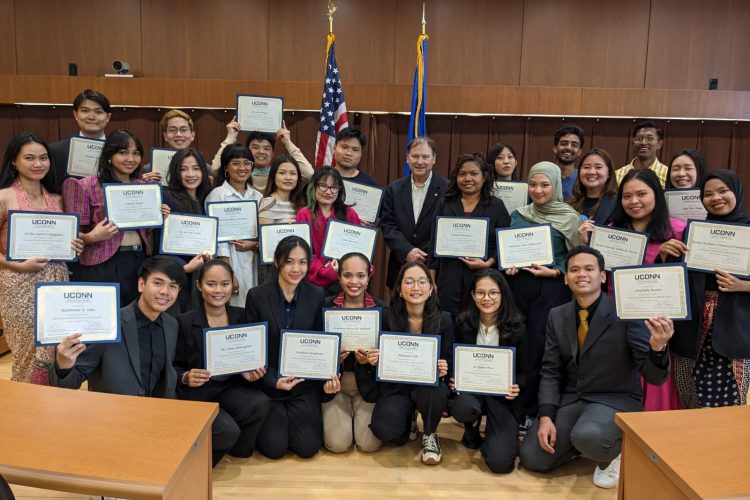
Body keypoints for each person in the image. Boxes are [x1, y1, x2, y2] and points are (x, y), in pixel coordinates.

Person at [519, 246, 673, 489]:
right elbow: (550, 370)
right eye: (574, 270)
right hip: (574, 398)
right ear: (566, 278)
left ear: (602, 276)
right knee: (532, 457)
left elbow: (653, 377)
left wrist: (658, 347)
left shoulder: (626, 313)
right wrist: (547, 415)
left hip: (614, 399)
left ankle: (610, 454)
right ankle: (582, 442)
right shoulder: (557, 315)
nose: (582, 274)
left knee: (588, 436)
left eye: (589, 269)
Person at [581, 169, 685, 411]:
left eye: (641, 194)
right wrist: (586, 245)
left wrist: (663, 258)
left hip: (657, 323)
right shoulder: (610, 229)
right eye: (627, 196)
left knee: (654, 377)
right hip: (616, 319)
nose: (634, 201)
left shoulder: (677, 230)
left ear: (657, 195)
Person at [0, 133, 83, 384]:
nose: (38, 164)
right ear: (14, 161)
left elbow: (65, 241)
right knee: (26, 354)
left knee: (54, 349)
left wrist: (74, 245)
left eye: (43, 158)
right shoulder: (4, 197)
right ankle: (24, 412)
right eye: (29, 158)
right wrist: (18, 265)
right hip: (18, 283)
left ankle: (50, 411)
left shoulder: (57, 199)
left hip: (56, 281)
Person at [506, 161, 581, 429]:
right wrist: (509, 263)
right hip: (519, 288)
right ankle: (512, 408)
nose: (538, 190)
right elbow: (509, 249)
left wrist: (555, 271)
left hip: (551, 290)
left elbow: (575, 259)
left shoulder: (571, 217)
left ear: (556, 185)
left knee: (540, 350)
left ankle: (534, 412)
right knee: (517, 345)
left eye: (545, 184)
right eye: (533, 184)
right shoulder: (518, 214)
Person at [174, 259, 270, 466]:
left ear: (233, 284)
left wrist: (250, 373)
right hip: (197, 393)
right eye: (211, 284)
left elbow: (250, 356)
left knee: (260, 402)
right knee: (227, 430)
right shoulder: (183, 322)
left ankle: (235, 447)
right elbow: (172, 366)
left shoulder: (243, 317)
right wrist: (185, 377)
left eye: (224, 284)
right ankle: (195, 465)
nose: (218, 290)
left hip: (229, 387)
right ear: (199, 285)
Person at [244, 236, 330, 459]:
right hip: (270, 385)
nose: (296, 268)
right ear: (277, 262)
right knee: (275, 449)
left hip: (303, 384)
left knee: (307, 448)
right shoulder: (257, 296)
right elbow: (253, 348)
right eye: (289, 261)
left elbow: (321, 340)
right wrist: (272, 381)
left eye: (302, 262)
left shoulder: (317, 294)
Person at [50, 256, 185, 396]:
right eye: (157, 283)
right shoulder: (109, 323)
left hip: (160, 413)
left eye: (173, 286)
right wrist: (63, 365)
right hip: (114, 413)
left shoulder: (172, 325)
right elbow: (70, 382)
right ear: (141, 284)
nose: (165, 291)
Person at [671, 170, 750, 408]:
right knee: (690, 395)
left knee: (732, 400)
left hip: (736, 327)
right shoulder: (694, 232)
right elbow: (678, 280)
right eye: (708, 194)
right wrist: (667, 255)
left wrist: (743, 285)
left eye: (723, 191)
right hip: (693, 328)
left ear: (736, 191)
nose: (715, 198)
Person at [63, 129, 163, 306]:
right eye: (123, 152)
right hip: (103, 263)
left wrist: (160, 215)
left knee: (133, 320)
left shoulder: (144, 186)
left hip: (139, 260)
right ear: (109, 155)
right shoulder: (87, 185)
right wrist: (93, 236)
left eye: (136, 153)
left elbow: (148, 230)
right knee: (104, 318)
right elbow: (70, 236)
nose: (131, 159)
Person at [368, 262, 454, 465]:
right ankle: (409, 420)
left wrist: (445, 366)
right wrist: (375, 359)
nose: (416, 287)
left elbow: (449, 357)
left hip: (428, 387)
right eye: (409, 282)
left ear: (431, 288)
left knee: (435, 392)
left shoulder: (445, 320)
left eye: (422, 282)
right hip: (397, 387)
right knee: (386, 431)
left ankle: (430, 434)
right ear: (399, 289)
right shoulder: (386, 317)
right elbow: (378, 355)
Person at [448, 269, 524, 473]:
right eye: (480, 293)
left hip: (502, 397)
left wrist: (518, 386)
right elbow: (454, 358)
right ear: (473, 295)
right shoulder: (462, 323)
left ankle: (498, 433)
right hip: (471, 392)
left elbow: (528, 369)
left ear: (502, 294)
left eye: (493, 293)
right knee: (463, 406)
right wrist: (455, 378)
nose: (487, 298)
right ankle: (471, 427)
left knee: (501, 464)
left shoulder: (518, 327)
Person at [428, 153, 510, 316]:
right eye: (462, 174)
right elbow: (434, 242)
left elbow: (505, 243)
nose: (467, 178)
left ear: (484, 176)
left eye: (473, 174)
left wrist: (487, 264)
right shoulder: (446, 203)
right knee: (447, 321)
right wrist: (432, 280)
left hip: (482, 278)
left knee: (474, 323)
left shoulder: (496, 206)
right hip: (448, 277)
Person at [321, 252, 384, 453]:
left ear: (368, 277)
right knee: (338, 445)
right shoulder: (325, 307)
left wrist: (375, 360)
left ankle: (358, 416)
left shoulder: (382, 309)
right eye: (347, 275)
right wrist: (331, 359)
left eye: (360, 275)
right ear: (339, 277)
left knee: (368, 445)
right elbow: (315, 351)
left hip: (367, 386)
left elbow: (391, 357)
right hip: (336, 388)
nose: (354, 281)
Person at [381, 137, 449, 288]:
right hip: (400, 265)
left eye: (425, 157)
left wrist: (423, 253)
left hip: (434, 267)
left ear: (434, 159)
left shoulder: (447, 190)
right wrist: (408, 250)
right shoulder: (394, 189)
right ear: (407, 158)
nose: (420, 161)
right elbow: (387, 224)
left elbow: (447, 228)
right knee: (399, 311)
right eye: (415, 156)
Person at [205, 144, 262, 306]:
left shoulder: (258, 197)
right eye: (236, 163)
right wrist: (228, 274)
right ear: (226, 168)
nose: (242, 168)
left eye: (247, 163)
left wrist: (255, 244)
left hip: (254, 261)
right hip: (230, 260)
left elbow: (263, 234)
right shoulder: (217, 195)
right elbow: (217, 239)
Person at [161, 148, 214, 312]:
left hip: (203, 275)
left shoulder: (207, 198)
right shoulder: (167, 196)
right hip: (179, 275)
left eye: (196, 168)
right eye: (184, 169)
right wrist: (184, 268)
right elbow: (159, 244)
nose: (191, 174)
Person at [295, 166, 362, 292]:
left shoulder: (350, 213)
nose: (329, 191)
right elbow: (304, 252)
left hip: (346, 279)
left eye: (334, 187)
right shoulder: (304, 214)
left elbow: (359, 248)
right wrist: (326, 271)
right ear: (314, 186)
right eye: (323, 185)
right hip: (313, 280)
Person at [211, 120, 314, 194]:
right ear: (247, 150)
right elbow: (215, 169)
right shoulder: (241, 173)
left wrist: (288, 143)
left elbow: (309, 174)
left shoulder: (279, 174)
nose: (261, 152)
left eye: (267, 148)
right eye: (255, 147)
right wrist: (230, 137)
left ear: (273, 153)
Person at [257, 154, 307, 284]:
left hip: (297, 266)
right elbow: (265, 243)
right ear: (273, 176)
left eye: (293, 173)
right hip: (274, 267)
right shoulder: (268, 202)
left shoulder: (300, 204)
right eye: (282, 173)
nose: (288, 177)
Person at [49, 89, 112, 188]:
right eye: (85, 111)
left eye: (98, 112)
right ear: (75, 114)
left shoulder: (119, 151)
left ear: (108, 117)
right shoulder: (56, 151)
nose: (91, 117)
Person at [141, 109, 198, 182]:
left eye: (183, 130)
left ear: (192, 135)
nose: (178, 134)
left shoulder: (205, 169)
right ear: (165, 136)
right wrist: (145, 186)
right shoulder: (150, 169)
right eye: (172, 130)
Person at [567, 148, 618, 224]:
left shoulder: (617, 205)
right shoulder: (570, 205)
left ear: (609, 173)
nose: (591, 172)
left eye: (598, 167)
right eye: (586, 167)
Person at [614, 121, 669, 188]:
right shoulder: (617, 175)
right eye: (639, 138)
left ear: (659, 144)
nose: (643, 143)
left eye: (649, 138)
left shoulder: (668, 175)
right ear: (633, 143)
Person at [552, 123, 584, 200]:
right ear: (555, 148)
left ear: (579, 151)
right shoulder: (543, 176)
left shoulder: (583, 179)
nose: (569, 148)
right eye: (564, 143)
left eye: (574, 145)